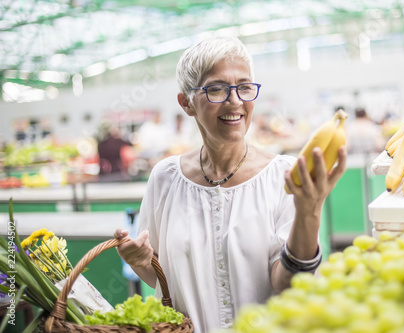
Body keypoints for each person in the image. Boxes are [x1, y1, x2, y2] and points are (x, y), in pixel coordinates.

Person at [114, 36, 347, 332]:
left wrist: (310, 213)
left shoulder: (283, 176)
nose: (235, 101)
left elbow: (288, 285)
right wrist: (140, 261)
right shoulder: (165, 178)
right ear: (186, 103)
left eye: (244, 87)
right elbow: (159, 276)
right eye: (216, 89)